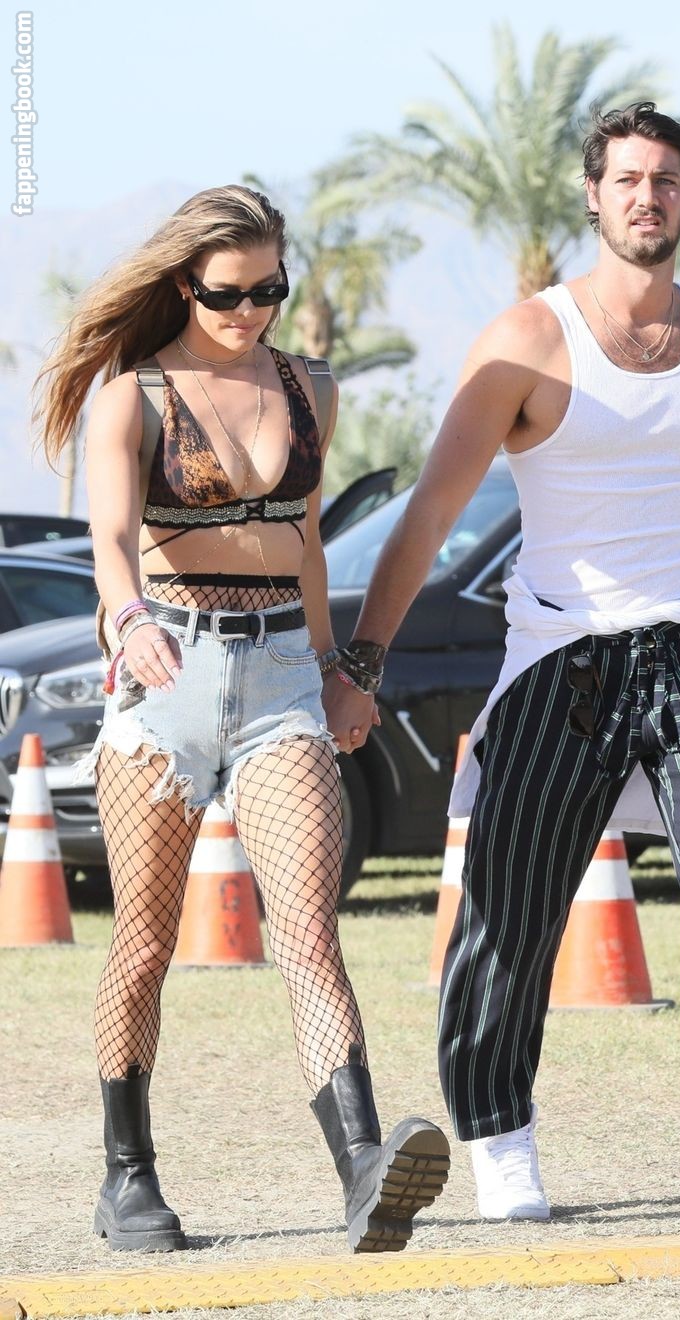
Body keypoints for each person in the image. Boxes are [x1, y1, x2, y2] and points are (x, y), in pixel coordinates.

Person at [324, 103, 680, 1233]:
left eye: (667, 180)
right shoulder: (528, 340)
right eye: (628, 179)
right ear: (593, 197)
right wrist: (361, 662)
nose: (648, 197)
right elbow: (429, 513)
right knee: (512, 911)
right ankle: (499, 1136)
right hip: (564, 655)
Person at [34, 184, 449, 1255]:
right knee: (143, 945)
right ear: (186, 284)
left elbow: (304, 541)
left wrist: (342, 669)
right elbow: (112, 541)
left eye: (270, 290)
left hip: (281, 682)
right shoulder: (134, 396)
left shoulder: (311, 388)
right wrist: (127, 621)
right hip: (163, 683)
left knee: (309, 930)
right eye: (229, 294)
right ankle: (128, 1180)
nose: (251, 311)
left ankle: (365, 1171)